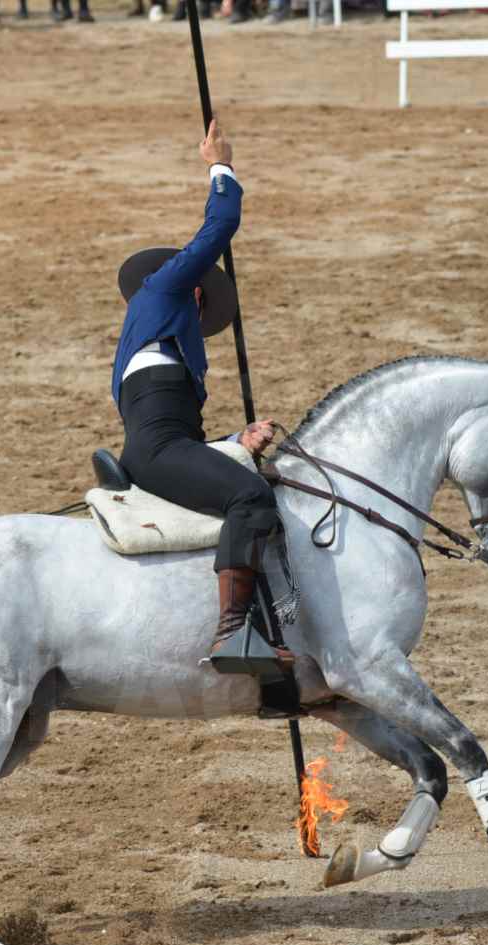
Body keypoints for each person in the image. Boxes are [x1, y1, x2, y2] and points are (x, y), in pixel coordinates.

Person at [112, 119, 294, 675]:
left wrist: (235, 441)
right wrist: (220, 164)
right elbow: (221, 225)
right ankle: (235, 634)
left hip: (159, 445)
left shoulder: (160, 347)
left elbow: (176, 439)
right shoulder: (164, 287)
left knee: (246, 480)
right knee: (251, 499)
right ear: (193, 289)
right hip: (156, 449)